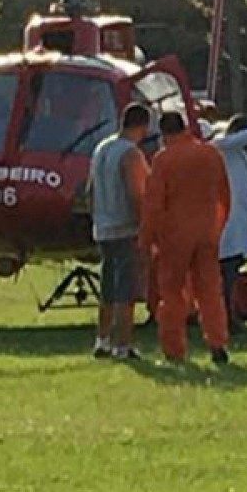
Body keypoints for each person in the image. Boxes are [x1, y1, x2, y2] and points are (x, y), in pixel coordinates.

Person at [141, 111, 231, 366]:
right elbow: (225, 196)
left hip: (174, 235)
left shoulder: (164, 159)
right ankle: (217, 342)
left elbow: (153, 203)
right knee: (210, 290)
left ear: (164, 133)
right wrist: (217, 226)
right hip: (206, 232)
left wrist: (146, 239)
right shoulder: (211, 154)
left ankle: (174, 349)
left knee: (171, 293)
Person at [87, 101, 150, 360]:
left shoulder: (101, 148)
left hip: (103, 227)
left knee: (108, 288)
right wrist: (144, 227)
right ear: (143, 126)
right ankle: (122, 345)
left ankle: (102, 340)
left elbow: (90, 190)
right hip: (125, 228)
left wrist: (97, 218)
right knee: (126, 290)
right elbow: (136, 194)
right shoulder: (131, 154)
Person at [212, 111, 247, 327]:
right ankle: (225, 317)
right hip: (228, 225)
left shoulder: (236, 151)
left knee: (232, 273)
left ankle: (229, 314)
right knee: (226, 274)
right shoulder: (223, 145)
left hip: (238, 224)